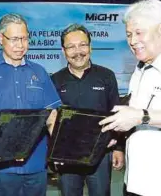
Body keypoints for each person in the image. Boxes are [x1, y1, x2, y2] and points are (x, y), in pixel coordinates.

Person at [0, 13, 62, 196]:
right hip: (0, 167)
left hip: (36, 165)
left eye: (25, 38)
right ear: (0, 38)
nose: (20, 45)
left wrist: (61, 150)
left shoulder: (39, 72)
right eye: (14, 39)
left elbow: (52, 116)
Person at [99, 0, 161, 196]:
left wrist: (141, 116)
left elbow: (141, 115)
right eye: (128, 35)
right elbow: (135, 116)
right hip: (134, 182)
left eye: (139, 33)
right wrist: (116, 133)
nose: (132, 41)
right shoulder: (140, 69)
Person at [50, 23, 124, 196]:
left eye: (82, 45)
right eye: (71, 47)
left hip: (101, 153)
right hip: (67, 156)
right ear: (63, 51)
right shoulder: (55, 80)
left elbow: (117, 113)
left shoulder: (106, 76)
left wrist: (119, 148)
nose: (78, 51)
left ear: (90, 47)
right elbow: (51, 120)